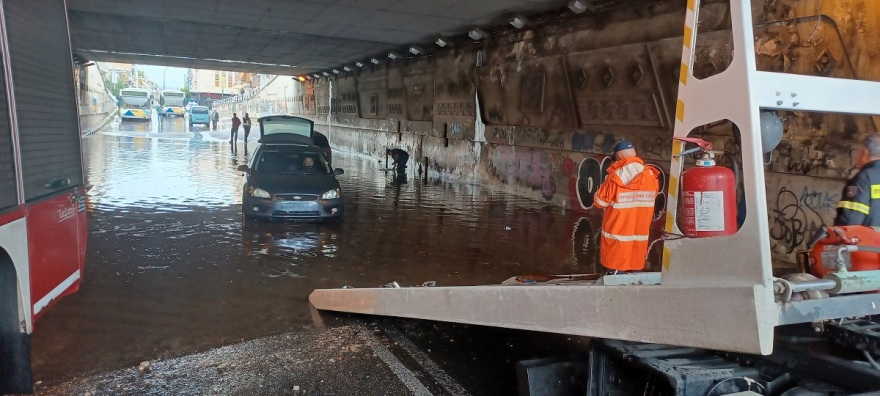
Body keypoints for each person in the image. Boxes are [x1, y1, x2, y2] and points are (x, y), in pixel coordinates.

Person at [593, 140, 660, 274]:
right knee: (635, 272)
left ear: (619, 156)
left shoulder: (616, 176)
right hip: (639, 237)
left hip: (618, 235)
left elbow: (600, 202)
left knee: (616, 272)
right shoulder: (651, 175)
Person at [835, 133, 880, 226]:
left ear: (864, 153)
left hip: (866, 236)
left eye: (857, 152)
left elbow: (850, 222)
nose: (856, 157)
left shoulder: (864, 178)